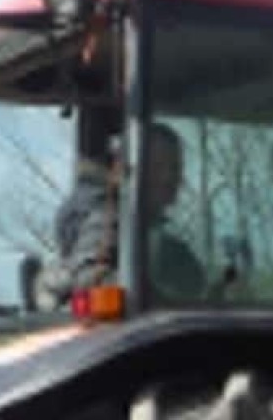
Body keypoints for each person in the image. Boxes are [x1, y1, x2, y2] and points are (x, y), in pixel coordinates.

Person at [41, 121, 204, 306]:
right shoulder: (106, 219)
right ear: (123, 171)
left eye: (175, 167)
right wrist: (156, 300)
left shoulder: (168, 246)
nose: (168, 177)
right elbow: (90, 280)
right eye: (157, 166)